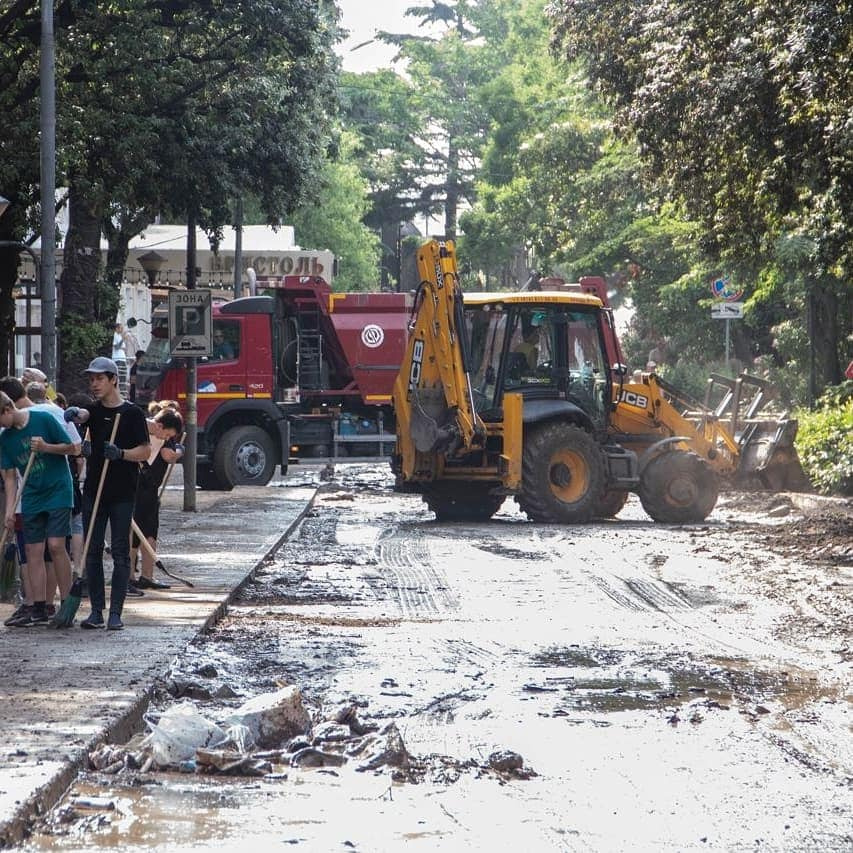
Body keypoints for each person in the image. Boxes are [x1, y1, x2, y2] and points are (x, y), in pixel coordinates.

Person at [64, 357, 150, 631]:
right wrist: (84, 448)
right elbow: (82, 430)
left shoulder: (132, 413)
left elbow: (145, 451)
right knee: (92, 550)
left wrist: (122, 454)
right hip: (94, 492)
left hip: (123, 492)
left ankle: (116, 613)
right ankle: (97, 612)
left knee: (121, 552)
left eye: (99, 378)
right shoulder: (94, 411)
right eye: (91, 379)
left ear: (113, 379)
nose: (94, 384)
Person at [0, 391, 77, 627]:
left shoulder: (43, 419)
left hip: (58, 489)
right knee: (33, 549)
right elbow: (11, 478)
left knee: (55, 545)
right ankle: (39, 607)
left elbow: (72, 448)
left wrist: (46, 447)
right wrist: (10, 511)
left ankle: (66, 604)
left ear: (7, 409)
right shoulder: (5, 439)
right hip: (32, 494)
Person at [131, 406, 184, 591]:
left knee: (149, 533)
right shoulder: (139, 427)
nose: (167, 439)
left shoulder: (162, 438)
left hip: (149, 489)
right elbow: (169, 456)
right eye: (168, 434)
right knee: (135, 533)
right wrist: (179, 450)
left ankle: (145, 576)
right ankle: (130, 577)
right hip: (135, 487)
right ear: (160, 425)